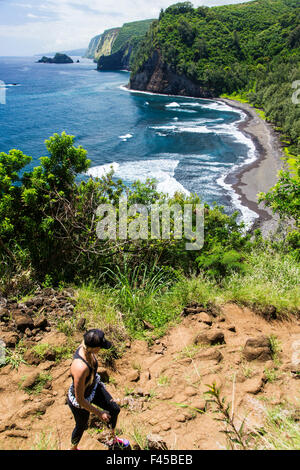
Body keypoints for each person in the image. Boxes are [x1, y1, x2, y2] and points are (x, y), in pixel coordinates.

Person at [67, 328, 129, 450]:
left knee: (114, 409)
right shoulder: (80, 367)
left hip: (93, 387)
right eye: (100, 347)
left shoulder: (87, 349)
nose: (101, 349)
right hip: (80, 400)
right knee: (81, 425)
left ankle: (112, 439)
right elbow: (80, 399)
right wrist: (99, 413)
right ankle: (73, 448)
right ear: (94, 348)